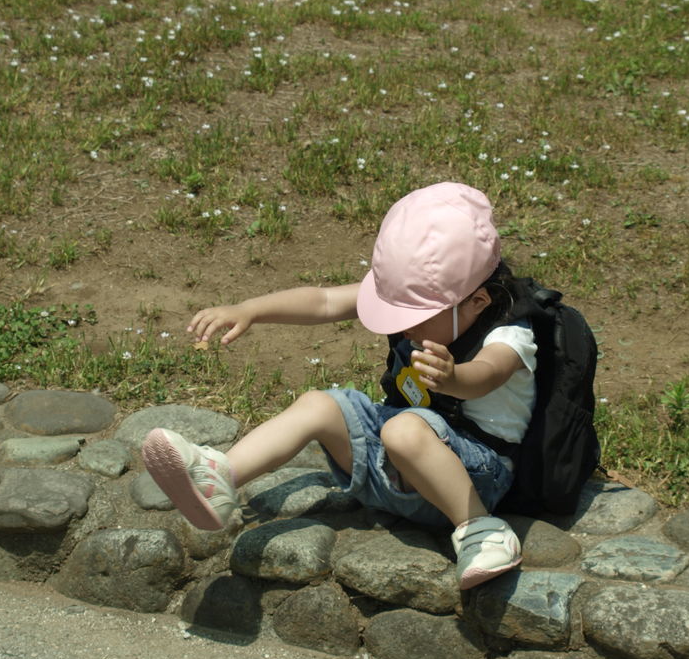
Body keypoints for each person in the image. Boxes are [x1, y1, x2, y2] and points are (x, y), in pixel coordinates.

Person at [141, 181, 537, 589]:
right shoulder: (436, 304)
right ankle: (221, 477)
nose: (402, 325)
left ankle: (482, 532)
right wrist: (250, 310)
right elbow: (325, 301)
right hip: (395, 465)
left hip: (473, 481)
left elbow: (488, 374)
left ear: (478, 301)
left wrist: (454, 377)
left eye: (415, 314)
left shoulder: (510, 335)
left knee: (402, 428)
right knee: (319, 404)